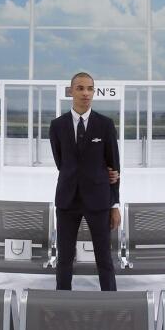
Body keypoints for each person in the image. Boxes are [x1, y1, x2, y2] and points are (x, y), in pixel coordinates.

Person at [50, 72, 121, 291]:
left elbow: (114, 167)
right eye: (80, 88)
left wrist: (114, 204)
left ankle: (111, 303)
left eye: (90, 88)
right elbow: (61, 162)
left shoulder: (105, 125)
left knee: (104, 259)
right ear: (71, 91)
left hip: (99, 201)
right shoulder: (57, 125)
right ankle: (62, 302)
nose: (86, 93)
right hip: (67, 201)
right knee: (64, 258)